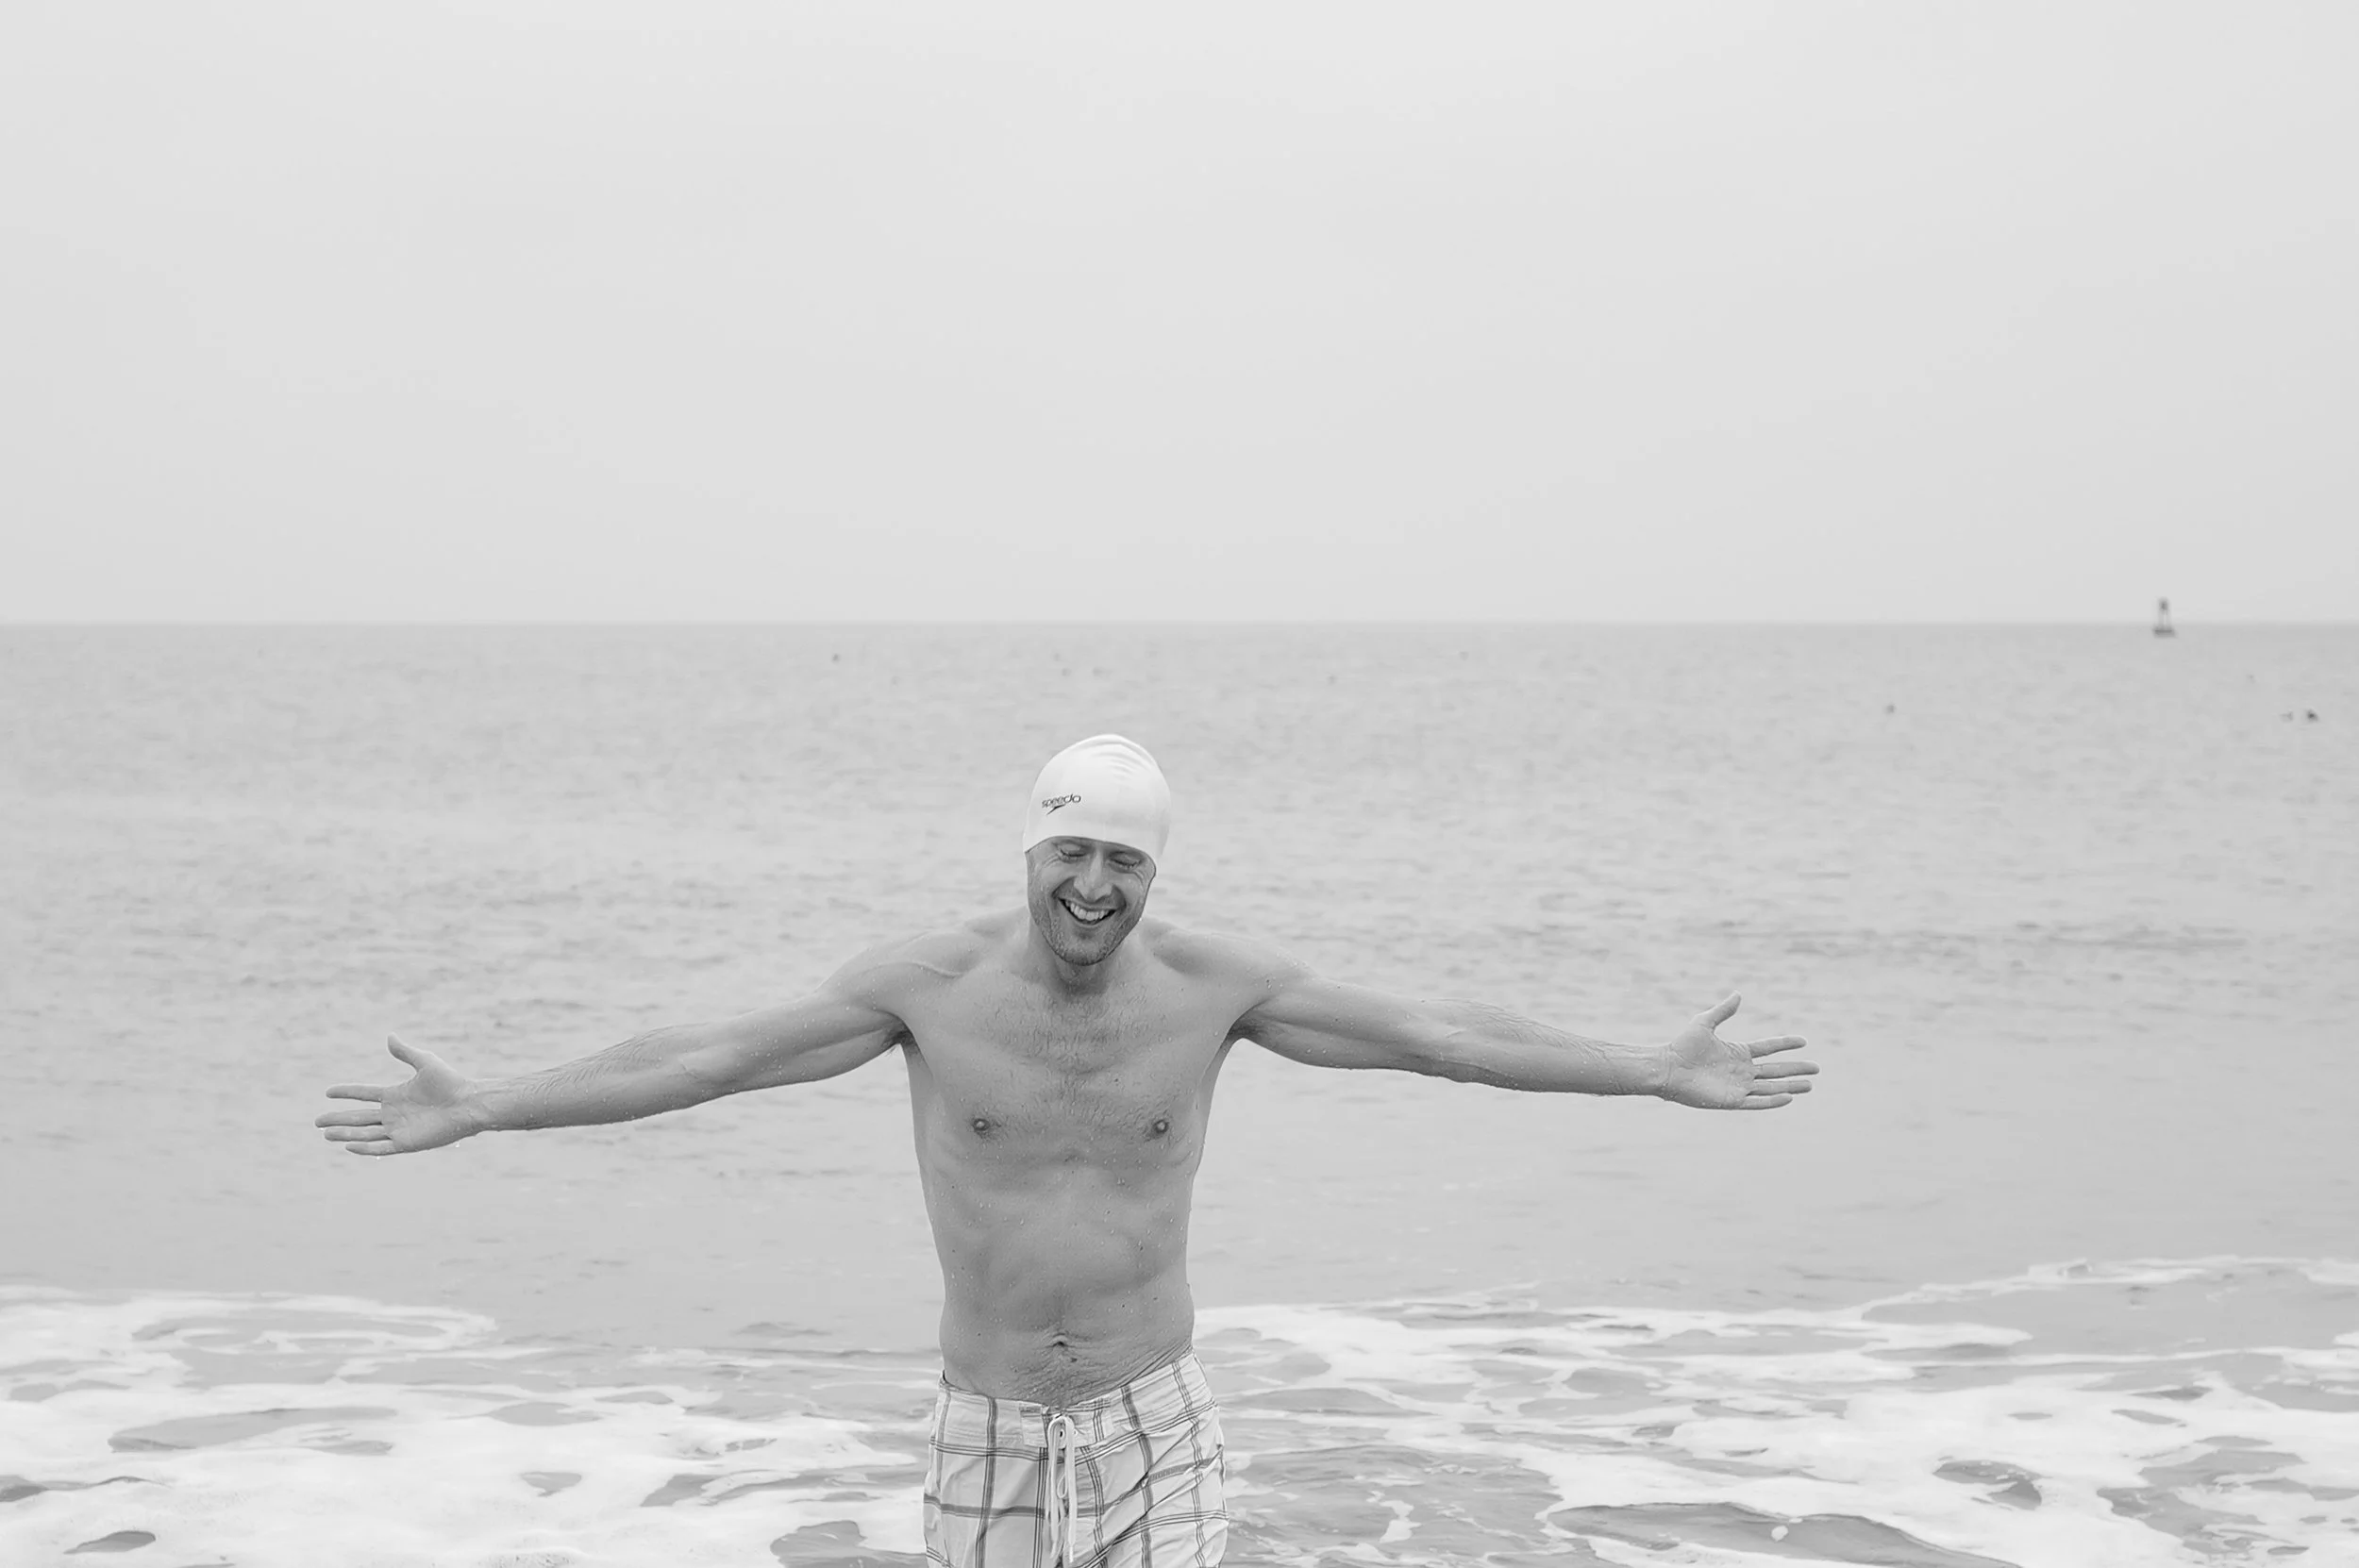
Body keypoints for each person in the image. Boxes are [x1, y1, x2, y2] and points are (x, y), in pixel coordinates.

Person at [316, 734, 1817, 1567]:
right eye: (1071, 851)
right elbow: (702, 1058)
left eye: (1125, 859)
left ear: (1154, 870)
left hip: (1154, 1413)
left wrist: (1642, 1068)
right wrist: (492, 1099)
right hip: (986, 1422)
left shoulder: (1221, 988)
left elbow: (1439, 1031)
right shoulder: (925, 988)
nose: (1095, 884)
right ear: (1028, 851)